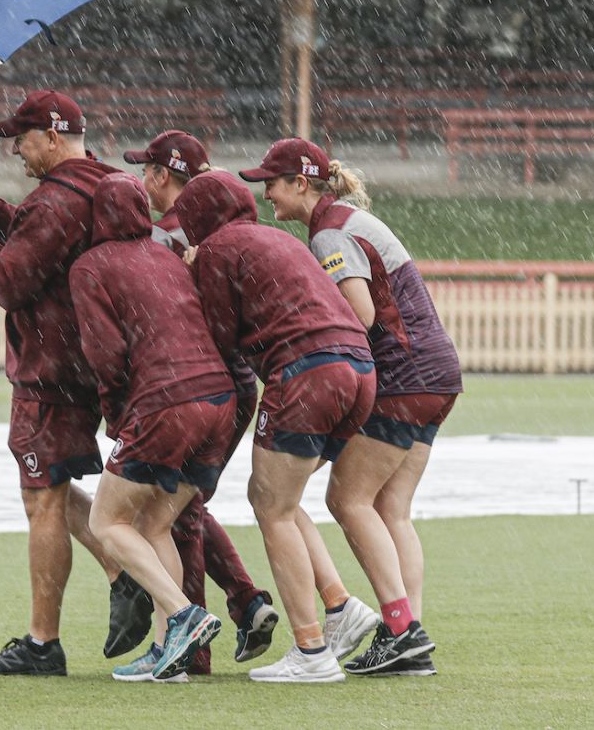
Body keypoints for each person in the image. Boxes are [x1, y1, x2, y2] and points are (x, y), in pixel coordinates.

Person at [175, 171, 434, 683]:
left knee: (269, 505)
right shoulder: (280, 238)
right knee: (285, 500)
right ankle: (350, 611)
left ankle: (312, 651)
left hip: (306, 371)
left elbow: (223, 338)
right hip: (361, 372)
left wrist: (194, 273)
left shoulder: (218, 249)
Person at [241, 138, 462, 677]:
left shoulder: (329, 232)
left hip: (403, 374)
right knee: (391, 511)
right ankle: (405, 636)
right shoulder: (346, 220)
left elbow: (358, 313)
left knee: (347, 499)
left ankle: (403, 629)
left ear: (301, 184)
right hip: (437, 373)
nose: (265, 192)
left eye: (272, 182)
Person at [0, 89, 124, 676]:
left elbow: (10, 282)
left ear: (52, 137)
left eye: (21, 140)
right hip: (88, 362)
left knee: (40, 494)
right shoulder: (101, 183)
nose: (16, 152)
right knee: (56, 486)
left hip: (48, 369)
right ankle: (130, 571)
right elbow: (48, 242)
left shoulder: (54, 201)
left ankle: (43, 642)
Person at [116, 130, 288, 672]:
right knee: (186, 504)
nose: (144, 179)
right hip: (232, 381)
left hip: (200, 382)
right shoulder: (199, 233)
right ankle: (245, 600)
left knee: (178, 511)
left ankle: (195, 649)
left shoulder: (166, 238)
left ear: (163, 177)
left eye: (147, 170)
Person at [71, 172, 236, 682]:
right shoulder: (167, 255)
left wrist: (115, 412)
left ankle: (183, 616)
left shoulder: (90, 267)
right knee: (155, 524)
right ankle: (171, 649)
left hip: (165, 402)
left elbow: (106, 353)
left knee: (106, 522)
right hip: (221, 400)